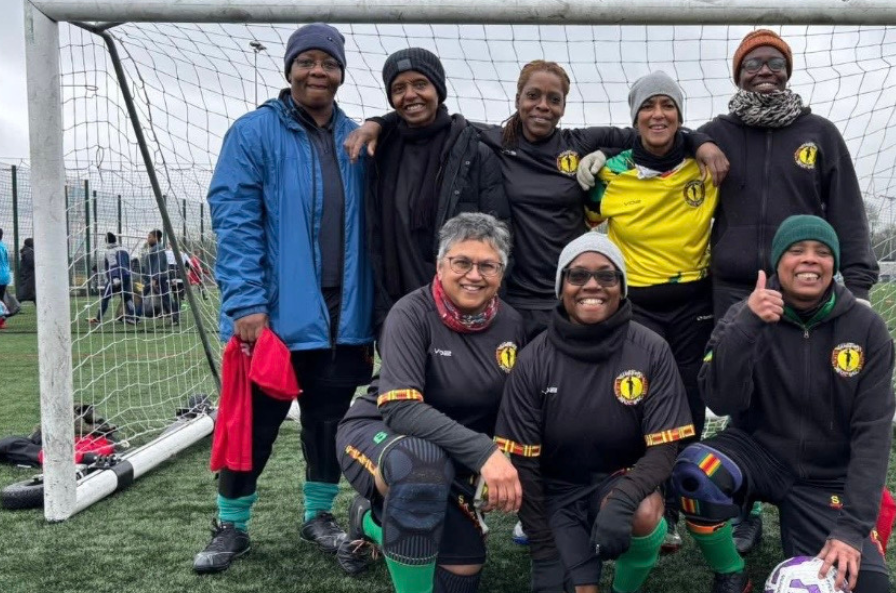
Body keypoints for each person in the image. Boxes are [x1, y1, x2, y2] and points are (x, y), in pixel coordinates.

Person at [346, 59, 727, 340]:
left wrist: (703, 142)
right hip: (512, 298)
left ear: (563, 106)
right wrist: (380, 122)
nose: (542, 105)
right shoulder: (490, 141)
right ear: (518, 99)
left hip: (570, 294)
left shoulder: (579, 143)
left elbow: (652, 132)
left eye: (553, 99)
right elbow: (433, 116)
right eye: (533, 96)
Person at [194, 22, 376, 574]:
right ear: (289, 68)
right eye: (307, 61)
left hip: (345, 318)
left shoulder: (360, 138)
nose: (317, 71)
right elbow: (235, 219)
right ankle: (231, 526)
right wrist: (246, 303)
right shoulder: (253, 133)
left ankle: (317, 516)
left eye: (328, 62)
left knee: (327, 424)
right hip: (270, 318)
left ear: (342, 72)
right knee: (254, 425)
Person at [673, 215, 894, 593]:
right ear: (778, 262)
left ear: (834, 265)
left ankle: (815, 530)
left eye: (822, 252)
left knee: (868, 587)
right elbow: (719, 399)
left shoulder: (866, 327)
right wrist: (748, 327)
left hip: (827, 477)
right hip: (759, 452)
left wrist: (851, 529)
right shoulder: (742, 315)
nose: (810, 260)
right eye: (797, 251)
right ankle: (731, 571)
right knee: (698, 470)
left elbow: (873, 435)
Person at [495, 233, 695, 593]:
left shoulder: (651, 348)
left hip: (620, 481)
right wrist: (544, 550)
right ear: (561, 287)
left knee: (644, 513)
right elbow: (524, 464)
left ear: (622, 287)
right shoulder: (533, 359)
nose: (592, 285)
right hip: (558, 493)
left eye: (607, 276)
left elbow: (665, 449)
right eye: (577, 275)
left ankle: (624, 587)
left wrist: (623, 499)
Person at [335, 213, 524, 593]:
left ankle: (372, 519)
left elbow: (512, 406)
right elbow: (401, 410)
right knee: (420, 463)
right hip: (382, 433)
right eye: (462, 262)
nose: (474, 274)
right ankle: (385, 511)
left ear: (501, 273)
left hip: (452, 455)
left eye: (488, 265)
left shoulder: (513, 324)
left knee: (462, 575)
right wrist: (485, 454)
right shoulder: (410, 313)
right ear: (440, 265)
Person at [583, 71, 719, 553]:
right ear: (635, 116)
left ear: (681, 116)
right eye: (648, 106)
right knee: (634, 400)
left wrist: (701, 144)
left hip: (694, 304)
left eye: (668, 105)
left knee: (688, 400)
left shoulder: (706, 165)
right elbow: (583, 218)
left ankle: (682, 501)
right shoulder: (609, 174)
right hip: (636, 306)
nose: (658, 114)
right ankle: (643, 493)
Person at [363, 47, 510, 336]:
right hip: (395, 304)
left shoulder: (474, 153)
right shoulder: (378, 152)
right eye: (399, 88)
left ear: (438, 89)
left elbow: (500, 237)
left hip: (459, 305)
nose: (410, 95)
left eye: (420, 84)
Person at [89, 232, 137, 325]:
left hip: (115, 279)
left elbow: (113, 264)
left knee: (105, 298)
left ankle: (98, 319)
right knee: (127, 298)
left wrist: (115, 277)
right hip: (126, 276)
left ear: (106, 241)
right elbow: (131, 263)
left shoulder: (110, 252)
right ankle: (134, 317)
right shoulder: (125, 250)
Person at [141, 229, 179, 325]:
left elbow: (158, 265)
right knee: (142, 295)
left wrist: (154, 278)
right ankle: (135, 316)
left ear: (156, 238)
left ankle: (175, 317)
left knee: (166, 298)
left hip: (158, 279)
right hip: (154, 278)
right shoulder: (156, 248)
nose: (148, 239)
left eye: (149, 237)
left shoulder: (158, 248)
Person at [17, 238, 36, 303]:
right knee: (25, 293)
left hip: (28, 275)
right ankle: (14, 306)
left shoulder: (27, 251)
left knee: (33, 294)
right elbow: (31, 262)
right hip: (29, 275)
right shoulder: (29, 252)